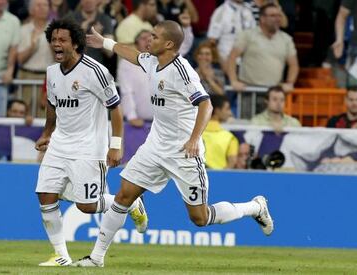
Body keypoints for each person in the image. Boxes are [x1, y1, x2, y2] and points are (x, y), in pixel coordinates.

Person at [73, 20, 274, 268]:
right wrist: (105, 42)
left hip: (184, 153)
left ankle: (255, 207)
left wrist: (193, 140)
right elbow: (134, 56)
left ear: (169, 44)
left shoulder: (182, 71)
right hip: (155, 147)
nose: (149, 40)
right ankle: (96, 258)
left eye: (155, 37)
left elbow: (206, 104)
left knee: (200, 218)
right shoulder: (152, 61)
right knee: (123, 195)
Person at [34, 18, 147, 267]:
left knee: (87, 206)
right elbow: (52, 105)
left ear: (75, 43)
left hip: (88, 147)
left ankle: (131, 203)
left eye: (62, 40)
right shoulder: (52, 72)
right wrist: (47, 133)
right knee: (45, 195)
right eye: (53, 40)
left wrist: (115, 144)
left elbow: (115, 109)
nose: (57, 44)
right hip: (60, 144)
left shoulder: (95, 71)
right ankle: (61, 256)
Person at [228, 3, 298, 93]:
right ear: (262, 18)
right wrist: (234, 81)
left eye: (279, 15)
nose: (277, 19)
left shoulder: (286, 39)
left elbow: (294, 64)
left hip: (273, 92)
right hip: (249, 90)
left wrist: (290, 82)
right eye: (273, 16)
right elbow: (232, 57)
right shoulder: (247, 35)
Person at [17, 0, 53, 118]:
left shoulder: (56, 31)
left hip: (49, 79)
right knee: (23, 114)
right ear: (31, 10)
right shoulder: (23, 30)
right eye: (38, 5)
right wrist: (31, 48)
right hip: (26, 76)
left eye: (45, 5)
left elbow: (62, 59)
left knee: (45, 116)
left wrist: (52, 45)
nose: (42, 8)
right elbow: (19, 59)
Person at [202, 95, 238, 169]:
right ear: (217, 111)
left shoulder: (192, 133)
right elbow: (231, 164)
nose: (230, 113)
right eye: (227, 109)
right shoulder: (230, 138)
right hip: (220, 178)